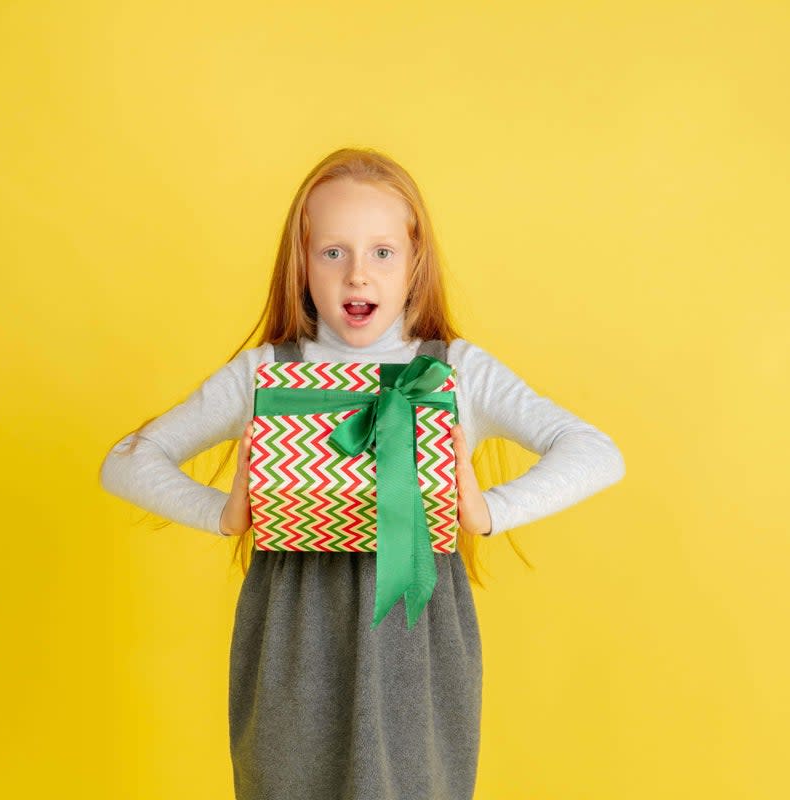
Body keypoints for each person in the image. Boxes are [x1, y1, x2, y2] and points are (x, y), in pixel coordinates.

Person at [99, 147, 626, 800]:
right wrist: (224, 511)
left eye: (381, 252)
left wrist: (484, 509)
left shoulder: (454, 371)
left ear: (414, 264)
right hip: (294, 639)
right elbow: (123, 463)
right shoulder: (268, 373)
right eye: (333, 252)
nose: (357, 276)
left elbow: (597, 451)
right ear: (302, 263)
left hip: (415, 637)